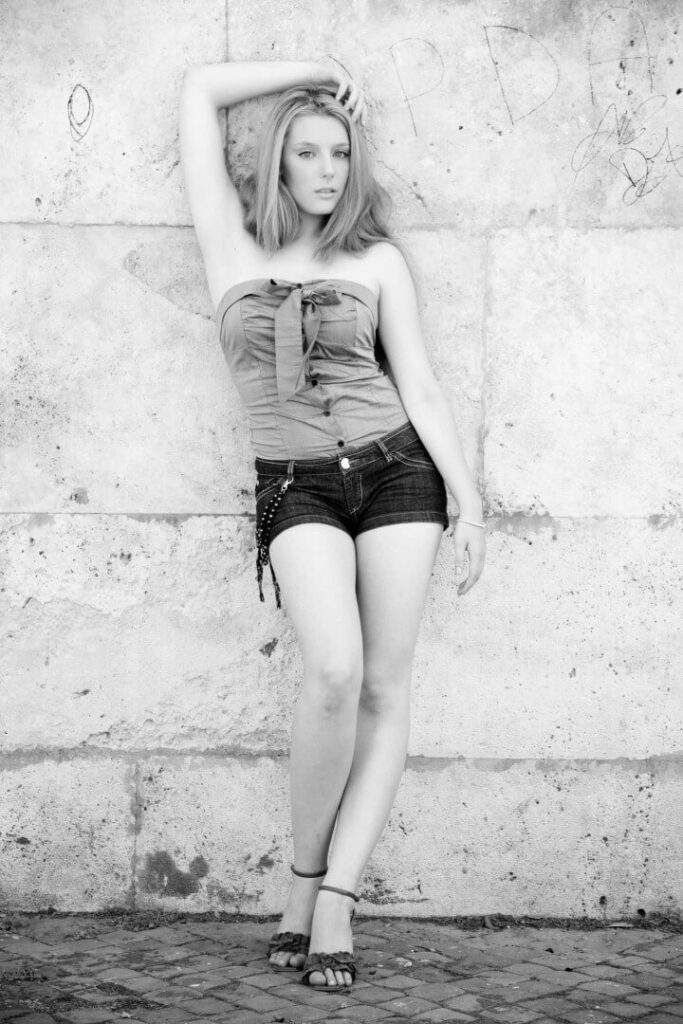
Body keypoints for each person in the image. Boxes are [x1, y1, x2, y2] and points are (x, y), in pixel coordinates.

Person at [179, 56, 486, 993]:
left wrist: (468, 498)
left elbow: (417, 382)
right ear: (277, 162)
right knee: (334, 673)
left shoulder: (376, 260)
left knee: (384, 687)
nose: (325, 169)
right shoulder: (231, 248)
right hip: (294, 483)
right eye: (308, 152)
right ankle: (303, 878)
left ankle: (336, 899)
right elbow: (198, 91)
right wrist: (324, 71)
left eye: (340, 153)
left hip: (396, 473)